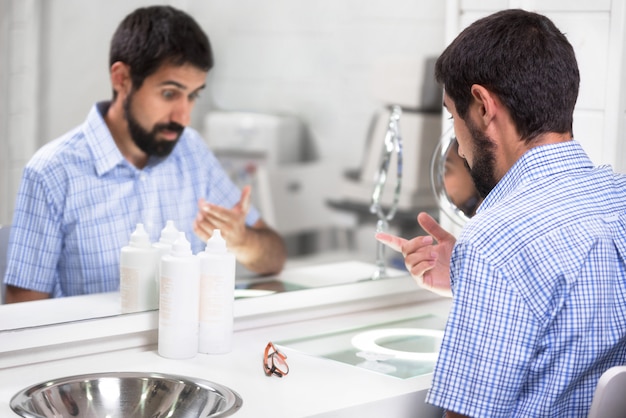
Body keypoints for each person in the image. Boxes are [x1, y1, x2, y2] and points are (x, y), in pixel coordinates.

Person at [377, 9, 626, 417]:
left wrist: (485, 262)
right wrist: (467, 275)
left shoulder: (495, 243)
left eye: (453, 116)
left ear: (482, 107)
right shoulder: (618, 198)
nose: (458, 146)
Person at [4, 5, 286, 303]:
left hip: (187, 344)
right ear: (121, 78)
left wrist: (242, 241)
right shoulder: (52, 172)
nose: (183, 117)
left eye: (192, 96)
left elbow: (273, 258)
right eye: (169, 93)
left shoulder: (190, 149)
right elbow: (25, 315)